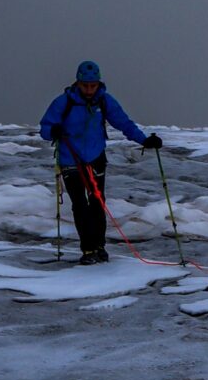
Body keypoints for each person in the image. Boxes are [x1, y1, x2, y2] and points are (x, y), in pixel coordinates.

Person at [39, 61, 161, 265]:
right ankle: (88, 250)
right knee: (80, 205)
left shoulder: (104, 101)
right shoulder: (63, 102)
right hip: (70, 160)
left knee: (97, 202)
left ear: (98, 83)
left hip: (95, 158)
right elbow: (44, 128)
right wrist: (53, 131)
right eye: (85, 85)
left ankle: (99, 247)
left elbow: (124, 123)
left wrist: (145, 140)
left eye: (92, 85)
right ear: (78, 83)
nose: (88, 89)